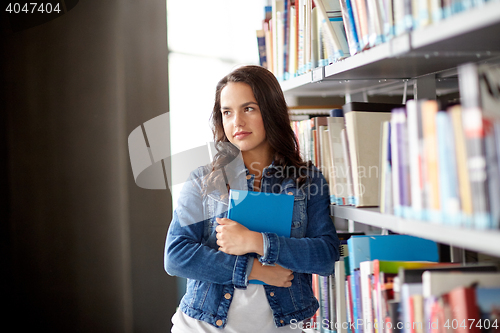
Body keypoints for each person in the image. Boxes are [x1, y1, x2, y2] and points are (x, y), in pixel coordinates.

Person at [164, 65, 340, 332]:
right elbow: (176, 256)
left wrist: (258, 242)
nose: (237, 122)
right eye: (227, 112)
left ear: (270, 111)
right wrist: (251, 269)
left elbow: (325, 256)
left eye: (249, 108)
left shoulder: (306, 180)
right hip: (202, 326)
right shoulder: (203, 179)